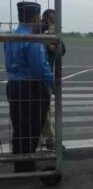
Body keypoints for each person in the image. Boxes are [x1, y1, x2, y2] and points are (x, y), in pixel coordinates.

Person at [4, 2, 54, 172]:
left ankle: (20, 162)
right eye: (39, 17)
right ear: (34, 17)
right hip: (31, 87)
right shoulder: (33, 40)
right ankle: (26, 165)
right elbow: (39, 68)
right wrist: (53, 84)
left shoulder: (11, 38)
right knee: (32, 128)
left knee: (19, 127)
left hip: (13, 85)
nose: (40, 20)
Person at [40, 9, 65, 150]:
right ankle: (49, 139)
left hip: (46, 76)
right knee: (44, 110)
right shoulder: (40, 35)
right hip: (42, 77)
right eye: (53, 21)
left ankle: (44, 138)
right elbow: (56, 51)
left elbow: (62, 50)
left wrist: (53, 38)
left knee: (45, 109)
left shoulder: (51, 35)